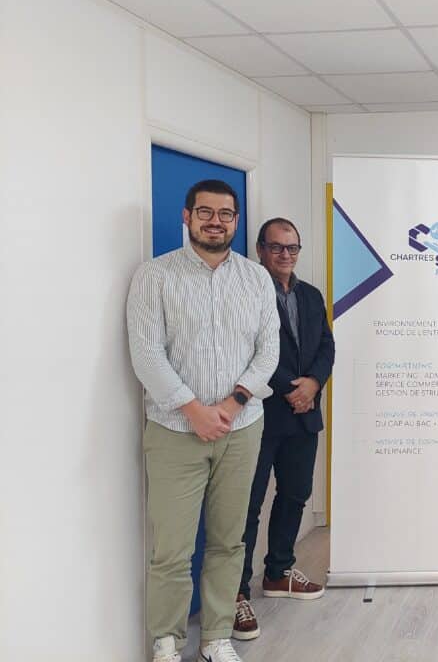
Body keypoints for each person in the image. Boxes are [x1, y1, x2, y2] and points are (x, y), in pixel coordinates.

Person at [127, 179, 279, 662]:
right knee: (171, 549)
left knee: (228, 541)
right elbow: (147, 354)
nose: (216, 221)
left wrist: (232, 404)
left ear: (236, 221)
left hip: (242, 426)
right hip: (175, 431)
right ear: (187, 217)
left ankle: (215, 638)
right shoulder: (154, 276)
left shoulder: (256, 279)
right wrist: (194, 410)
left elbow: (268, 350)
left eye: (226, 214)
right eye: (206, 212)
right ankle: (167, 643)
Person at [233, 218, 335, 641]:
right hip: (261, 414)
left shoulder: (310, 295)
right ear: (260, 249)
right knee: (248, 505)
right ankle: (236, 592)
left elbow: (326, 346)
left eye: (292, 248)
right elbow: (245, 349)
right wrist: (288, 390)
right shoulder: (244, 292)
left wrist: (312, 384)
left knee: (295, 494)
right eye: (277, 248)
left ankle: (278, 572)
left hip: (304, 414)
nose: (286, 255)